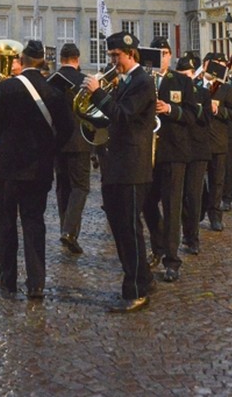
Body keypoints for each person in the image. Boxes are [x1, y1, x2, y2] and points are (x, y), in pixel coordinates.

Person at [0, 40, 74, 301]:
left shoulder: (7, 87)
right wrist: (49, 150)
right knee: (34, 223)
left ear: (21, 60)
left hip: (7, 167)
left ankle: (8, 279)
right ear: (43, 62)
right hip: (38, 168)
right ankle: (36, 283)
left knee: (7, 222)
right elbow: (67, 129)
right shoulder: (54, 91)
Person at [83, 32, 156, 313]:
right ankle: (144, 279)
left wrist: (97, 93)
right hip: (117, 165)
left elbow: (123, 115)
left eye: (118, 57)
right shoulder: (124, 81)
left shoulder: (142, 82)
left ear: (132, 54)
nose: (113, 61)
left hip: (132, 167)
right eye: (111, 56)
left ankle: (136, 290)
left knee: (129, 230)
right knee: (120, 227)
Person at [144, 54, 197, 282]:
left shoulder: (182, 81)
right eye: (157, 54)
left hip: (174, 152)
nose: (162, 58)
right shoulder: (144, 80)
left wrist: (170, 109)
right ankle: (158, 245)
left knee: (172, 205)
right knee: (147, 203)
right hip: (147, 153)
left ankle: (172, 260)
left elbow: (193, 115)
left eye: (165, 54)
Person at [52, 43, 91, 255]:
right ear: (77, 58)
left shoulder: (51, 82)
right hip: (80, 141)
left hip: (58, 141)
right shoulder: (85, 81)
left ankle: (65, 230)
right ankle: (69, 231)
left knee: (63, 187)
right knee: (81, 187)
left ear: (61, 58)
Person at [200, 54, 232, 230]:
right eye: (211, 65)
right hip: (197, 141)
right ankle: (199, 209)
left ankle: (215, 216)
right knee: (197, 182)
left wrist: (219, 110)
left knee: (217, 180)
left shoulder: (226, 89)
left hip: (217, 141)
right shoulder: (193, 86)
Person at [180, 55, 213, 255]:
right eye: (182, 75)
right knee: (180, 195)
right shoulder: (172, 92)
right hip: (178, 148)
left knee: (194, 194)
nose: (186, 78)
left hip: (198, 148)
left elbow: (206, 118)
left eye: (188, 75)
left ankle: (192, 237)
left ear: (194, 75)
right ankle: (186, 231)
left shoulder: (202, 93)